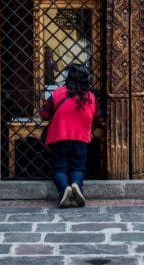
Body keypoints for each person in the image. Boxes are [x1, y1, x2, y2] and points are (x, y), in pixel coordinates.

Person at [40, 62, 97, 208]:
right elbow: (97, 117)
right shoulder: (90, 97)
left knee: (60, 169)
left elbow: (44, 113)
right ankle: (77, 185)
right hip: (81, 139)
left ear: (69, 77)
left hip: (60, 138)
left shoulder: (58, 93)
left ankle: (64, 188)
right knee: (78, 168)